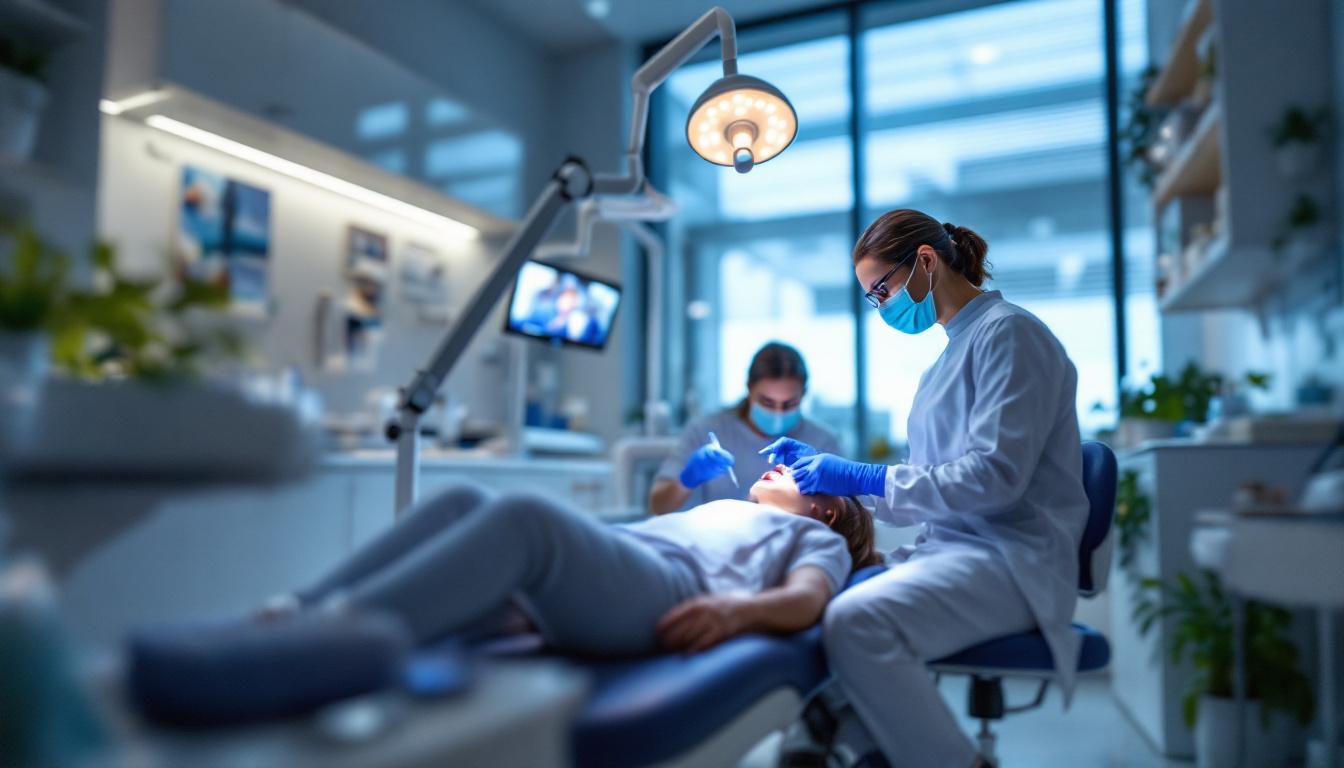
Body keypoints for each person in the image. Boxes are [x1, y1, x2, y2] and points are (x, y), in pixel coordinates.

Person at [763, 209, 1089, 768]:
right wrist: (849, 480)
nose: (882, 307)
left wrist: (860, 477)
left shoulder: (1010, 335)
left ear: (926, 261)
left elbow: (995, 481)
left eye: (881, 290)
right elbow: (933, 487)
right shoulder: (942, 364)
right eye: (872, 298)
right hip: (960, 548)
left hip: (1011, 559)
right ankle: (860, 744)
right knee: (832, 598)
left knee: (857, 621)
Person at [260, 467, 882, 655]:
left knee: (529, 518)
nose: (789, 464)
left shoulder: (817, 541)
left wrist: (734, 612)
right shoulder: (724, 507)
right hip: (623, 571)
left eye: (808, 476)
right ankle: (300, 609)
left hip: (672, 591)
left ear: (827, 510)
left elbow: (807, 599)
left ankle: (327, 642)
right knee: (463, 499)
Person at [649, 342, 840, 515]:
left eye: (789, 403)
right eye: (767, 402)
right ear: (749, 388)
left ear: (804, 394)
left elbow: (844, 514)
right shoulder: (706, 429)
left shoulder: (823, 442)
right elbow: (659, 507)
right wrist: (686, 481)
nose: (778, 412)